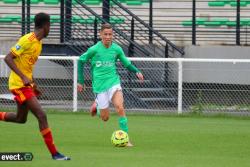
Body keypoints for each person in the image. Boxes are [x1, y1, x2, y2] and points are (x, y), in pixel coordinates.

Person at [0, 12, 70, 160]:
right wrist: (23, 77)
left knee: (21, 119)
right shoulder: (27, 40)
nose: (50, 28)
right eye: (50, 25)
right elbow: (8, 58)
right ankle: (55, 154)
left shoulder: (38, 44)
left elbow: (27, 67)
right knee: (41, 115)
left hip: (25, 85)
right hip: (18, 85)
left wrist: (33, 84)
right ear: (46, 26)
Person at [77, 23, 144, 147]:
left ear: (113, 35)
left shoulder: (117, 49)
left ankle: (126, 138)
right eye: (105, 34)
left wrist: (137, 71)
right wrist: (80, 81)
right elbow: (80, 61)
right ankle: (97, 105)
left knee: (120, 107)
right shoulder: (94, 49)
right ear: (101, 35)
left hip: (113, 82)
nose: (108, 37)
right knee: (105, 118)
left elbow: (126, 63)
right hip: (99, 85)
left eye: (110, 34)